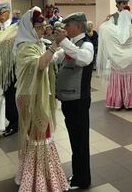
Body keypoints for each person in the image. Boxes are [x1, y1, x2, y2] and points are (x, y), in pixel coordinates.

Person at [13, 6, 68, 192]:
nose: (41, 31)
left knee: (41, 135)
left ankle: (39, 175)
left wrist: (59, 51)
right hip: (29, 96)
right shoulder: (24, 47)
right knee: (38, 136)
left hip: (37, 94)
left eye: (43, 27)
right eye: (38, 27)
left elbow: (48, 61)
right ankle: (38, 180)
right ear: (28, 27)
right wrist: (55, 45)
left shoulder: (36, 43)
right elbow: (40, 64)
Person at [54, 12, 94, 190]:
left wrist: (63, 41)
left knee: (80, 141)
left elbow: (84, 58)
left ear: (78, 26)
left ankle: (82, 179)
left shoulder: (86, 44)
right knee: (74, 139)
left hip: (79, 100)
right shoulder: (71, 44)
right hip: (69, 100)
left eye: (67, 25)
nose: (65, 28)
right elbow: (56, 58)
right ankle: (78, 174)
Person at [98, 0, 132, 110]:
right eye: (123, 3)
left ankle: (125, 101)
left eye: (126, 3)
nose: (125, 5)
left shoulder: (130, 16)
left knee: (123, 78)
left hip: (128, 54)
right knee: (120, 78)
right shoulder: (112, 17)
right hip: (118, 54)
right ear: (118, 5)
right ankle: (121, 100)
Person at [0, 2, 19, 137]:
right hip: (2, 67)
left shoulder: (17, 27)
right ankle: (13, 120)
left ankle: (15, 123)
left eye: (1, 13)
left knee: (11, 96)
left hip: (15, 67)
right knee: (5, 95)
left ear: (8, 11)